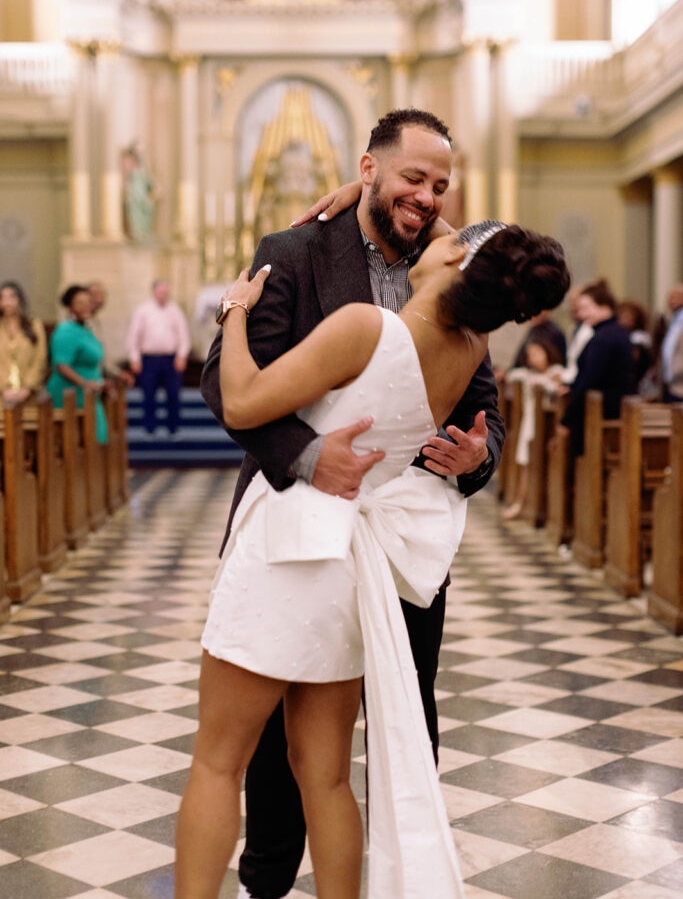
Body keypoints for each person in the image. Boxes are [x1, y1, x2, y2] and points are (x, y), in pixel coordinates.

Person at [177, 220, 570, 899]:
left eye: (449, 237)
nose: (435, 231)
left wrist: (233, 312)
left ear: (454, 260)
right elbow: (479, 251)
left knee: (218, 762)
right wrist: (353, 196)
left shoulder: (368, 326)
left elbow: (241, 400)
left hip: (289, 545)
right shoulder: (468, 349)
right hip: (352, 564)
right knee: (324, 773)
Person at [200, 110, 506, 899]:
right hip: (306, 519)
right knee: (278, 744)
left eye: (440, 185)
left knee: (406, 714)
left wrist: (480, 454)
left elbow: (485, 408)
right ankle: (267, 878)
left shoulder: (460, 271)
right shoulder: (296, 251)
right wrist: (307, 456)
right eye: (412, 177)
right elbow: (222, 382)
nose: (428, 197)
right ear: (367, 169)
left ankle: (408, 875)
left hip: (404, 540)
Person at [559, 278, 632, 456]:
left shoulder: (604, 338)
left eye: (586, 308)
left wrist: (566, 420)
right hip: (603, 409)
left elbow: (589, 379)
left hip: (600, 415)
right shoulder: (612, 332)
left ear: (604, 306)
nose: (582, 315)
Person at [503, 339, 565, 519]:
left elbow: (557, 387)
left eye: (537, 353)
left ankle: (543, 508)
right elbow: (511, 376)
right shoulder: (526, 374)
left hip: (549, 423)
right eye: (530, 355)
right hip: (530, 421)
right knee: (525, 463)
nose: (533, 359)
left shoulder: (556, 371)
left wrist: (545, 382)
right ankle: (521, 502)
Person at [127, 279, 190, 436]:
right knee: (148, 394)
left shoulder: (175, 310)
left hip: (170, 359)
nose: (163, 295)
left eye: (166, 292)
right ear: (154, 292)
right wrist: (134, 357)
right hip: (149, 359)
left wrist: (182, 356)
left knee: (173, 394)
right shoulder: (143, 310)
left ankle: (173, 428)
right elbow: (134, 336)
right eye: (160, 292)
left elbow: (183, 336)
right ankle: (149, 428)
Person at [46, 285, 107, 442]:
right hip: (71, 395)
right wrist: (85, 383)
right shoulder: (65, 331)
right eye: (80, 303)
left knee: (97, 436)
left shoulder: (85, 329)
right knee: (79, 442)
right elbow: (61, 365)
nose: (85, 306)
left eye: (88, 302)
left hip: (88, 394)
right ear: (70, 306)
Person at [0, 281, 47, 403]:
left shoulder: (34, 325)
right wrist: (3, 388)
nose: (6, 302)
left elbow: (40, 358)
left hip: (28, 393)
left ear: (20, 299)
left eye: (11, 297)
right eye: (2, 298)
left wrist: (28, 387)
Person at [616, 299, 653, 395]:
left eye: (629, 316)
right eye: (623, 315)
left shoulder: (640, 338)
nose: (626, 319)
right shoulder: (617, 336)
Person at [661, 283, 683, 402]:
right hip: (671, 385)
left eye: (677, 296)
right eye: (670, 297)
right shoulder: (671, 320)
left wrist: (676, 372)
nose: (672, 301)